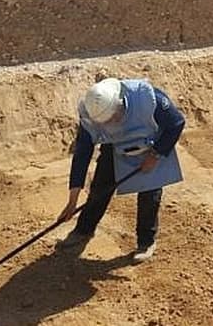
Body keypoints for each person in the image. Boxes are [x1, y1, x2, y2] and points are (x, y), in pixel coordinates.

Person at [56, 77, 185, 263]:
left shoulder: (148, 99)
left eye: (112, 118)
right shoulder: (90, 114)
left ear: (119, 104)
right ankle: (84, 229)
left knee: (150, 192)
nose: (110, 122)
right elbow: (83, 153)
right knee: (101, 185)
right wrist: (72, 200)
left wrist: (156, 154)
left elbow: (176, 123)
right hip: (116, 144)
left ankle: (146, 242)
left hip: (150, 142)